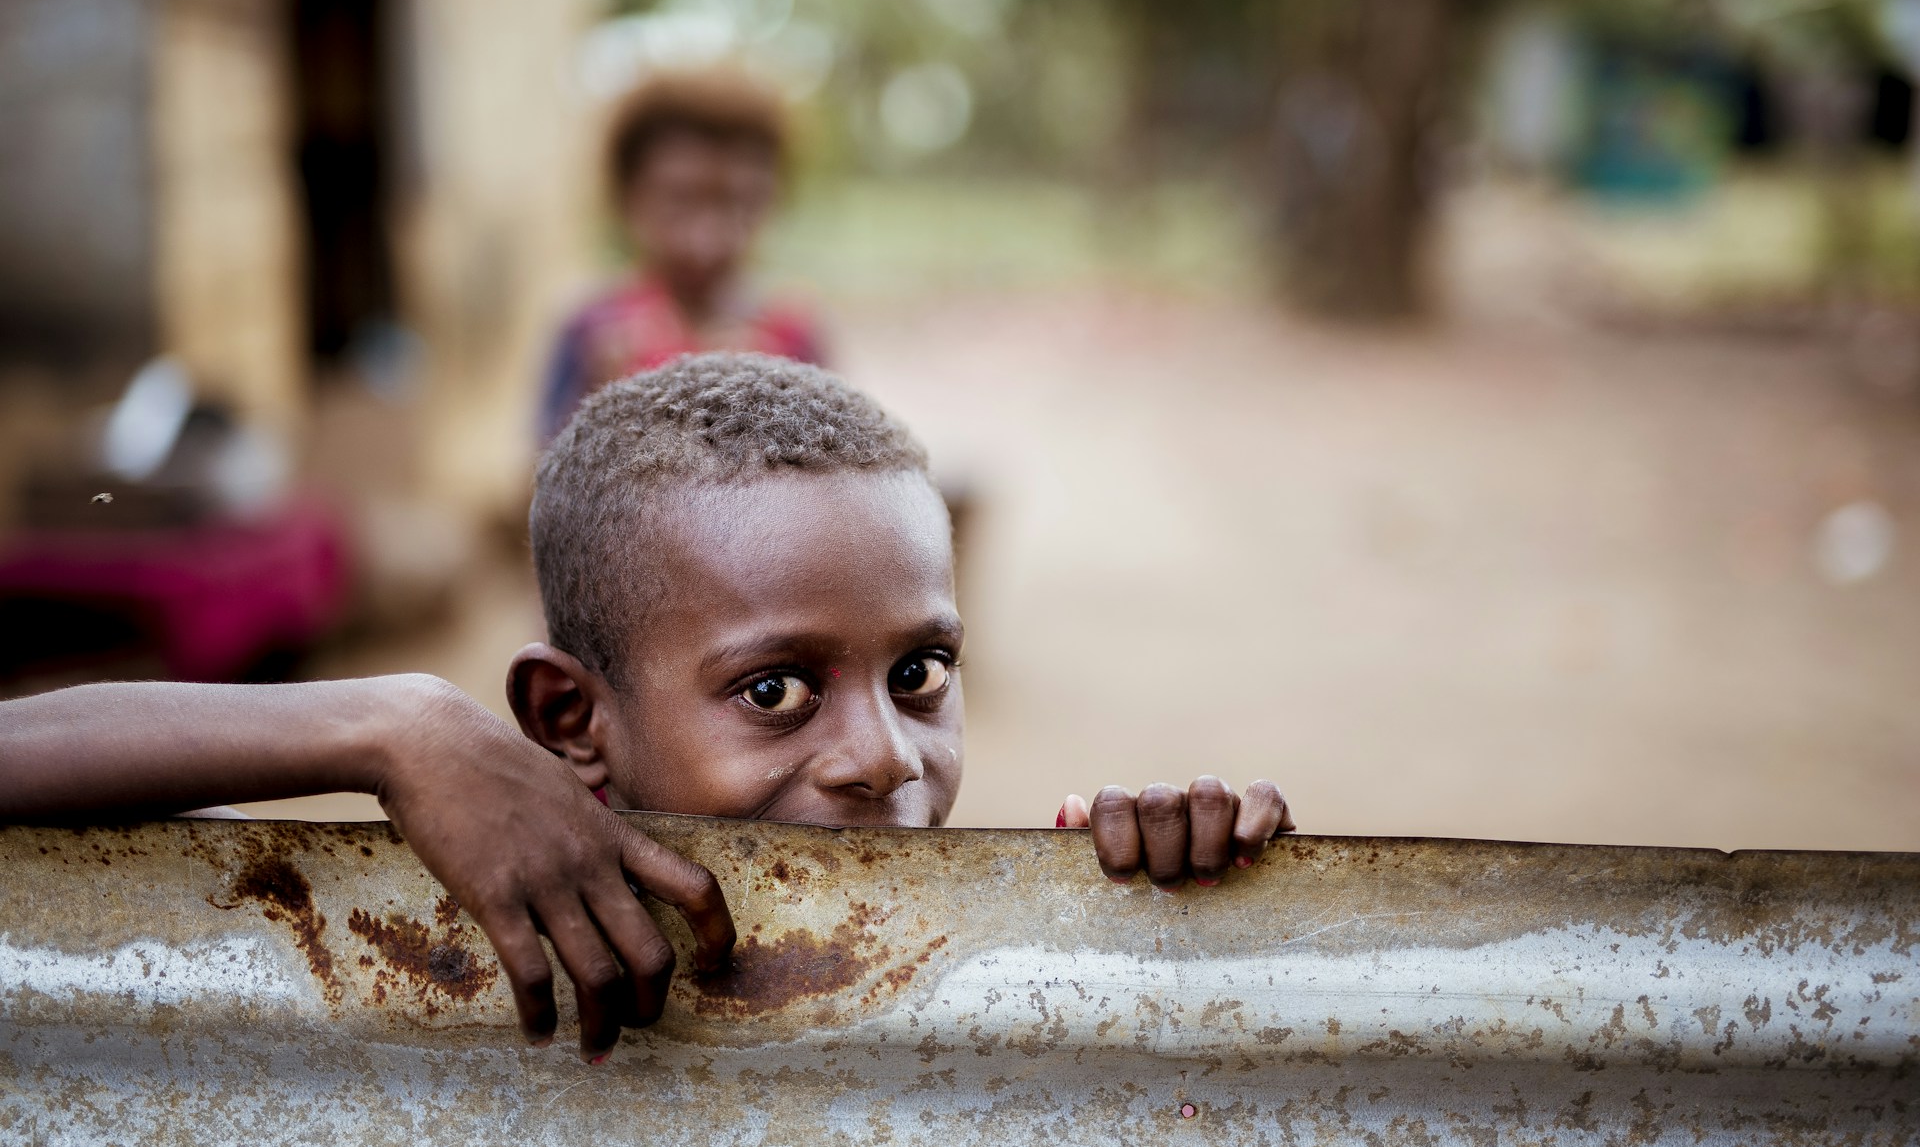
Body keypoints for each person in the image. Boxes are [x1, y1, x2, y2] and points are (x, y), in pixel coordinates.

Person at [0, 353, 1293, 1063]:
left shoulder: (981, 937)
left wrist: (1159, 911)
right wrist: (393, 725)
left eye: (921, 672)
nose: (882, 757)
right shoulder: (465, 904)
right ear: (571, 718)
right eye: (775, 690)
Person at [539, 70, 826, 443]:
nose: (705, 239)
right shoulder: (592, 333)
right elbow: (540, 484)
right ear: (629, 198)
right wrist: (602, 409)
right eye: (680, 201)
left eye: (737, 204)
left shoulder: (793, 336)